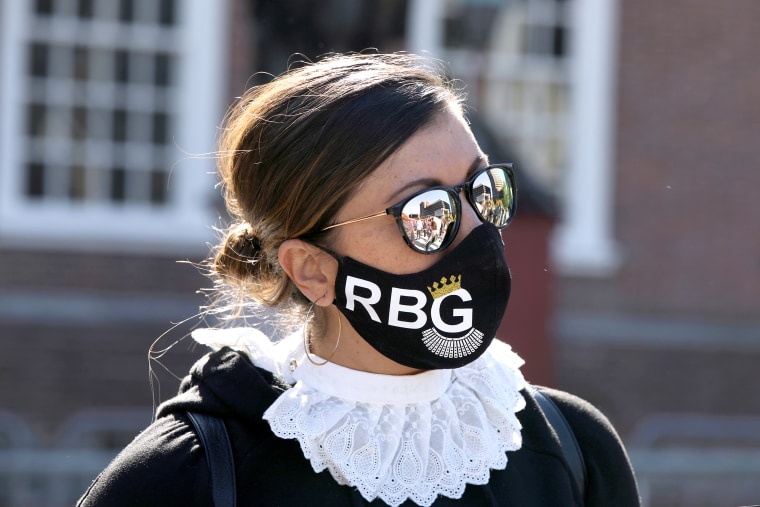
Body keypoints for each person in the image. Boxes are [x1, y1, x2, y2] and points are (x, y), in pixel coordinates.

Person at [77, 53, 640, 506]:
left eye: (481, 190)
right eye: (426, 212)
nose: (474, 230)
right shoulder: (187, 478)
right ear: (313, 270)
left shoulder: (570, 449)